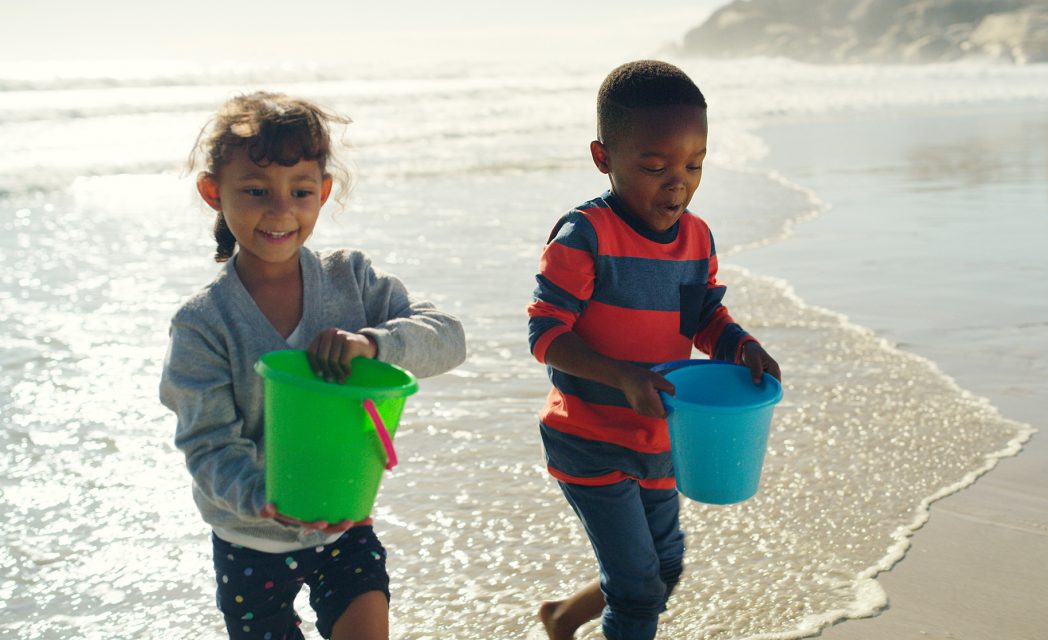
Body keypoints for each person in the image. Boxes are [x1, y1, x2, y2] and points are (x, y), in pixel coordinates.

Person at [160, 92, 466, 640]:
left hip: (345, 525)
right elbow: (207, 445)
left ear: (323, 193)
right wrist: (272, 502)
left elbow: (448, 338)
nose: (281, 211)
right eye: (255, 192)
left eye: (300, 192)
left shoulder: (349, 280)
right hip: (248, 541)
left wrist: (374, 344)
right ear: (214, 193)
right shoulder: (204, 323)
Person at [528, 61, 782, 640]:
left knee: (663, 570)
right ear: (603, 158)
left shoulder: (697, 237)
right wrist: (621, 377)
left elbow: (705, 319)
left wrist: (741, 346)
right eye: (654, 165)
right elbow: (545, 335)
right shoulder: (585, 235)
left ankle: (561, 617)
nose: (678, 182)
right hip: (588, 437)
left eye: (694, 165)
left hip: (662, 435)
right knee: (638, 590)